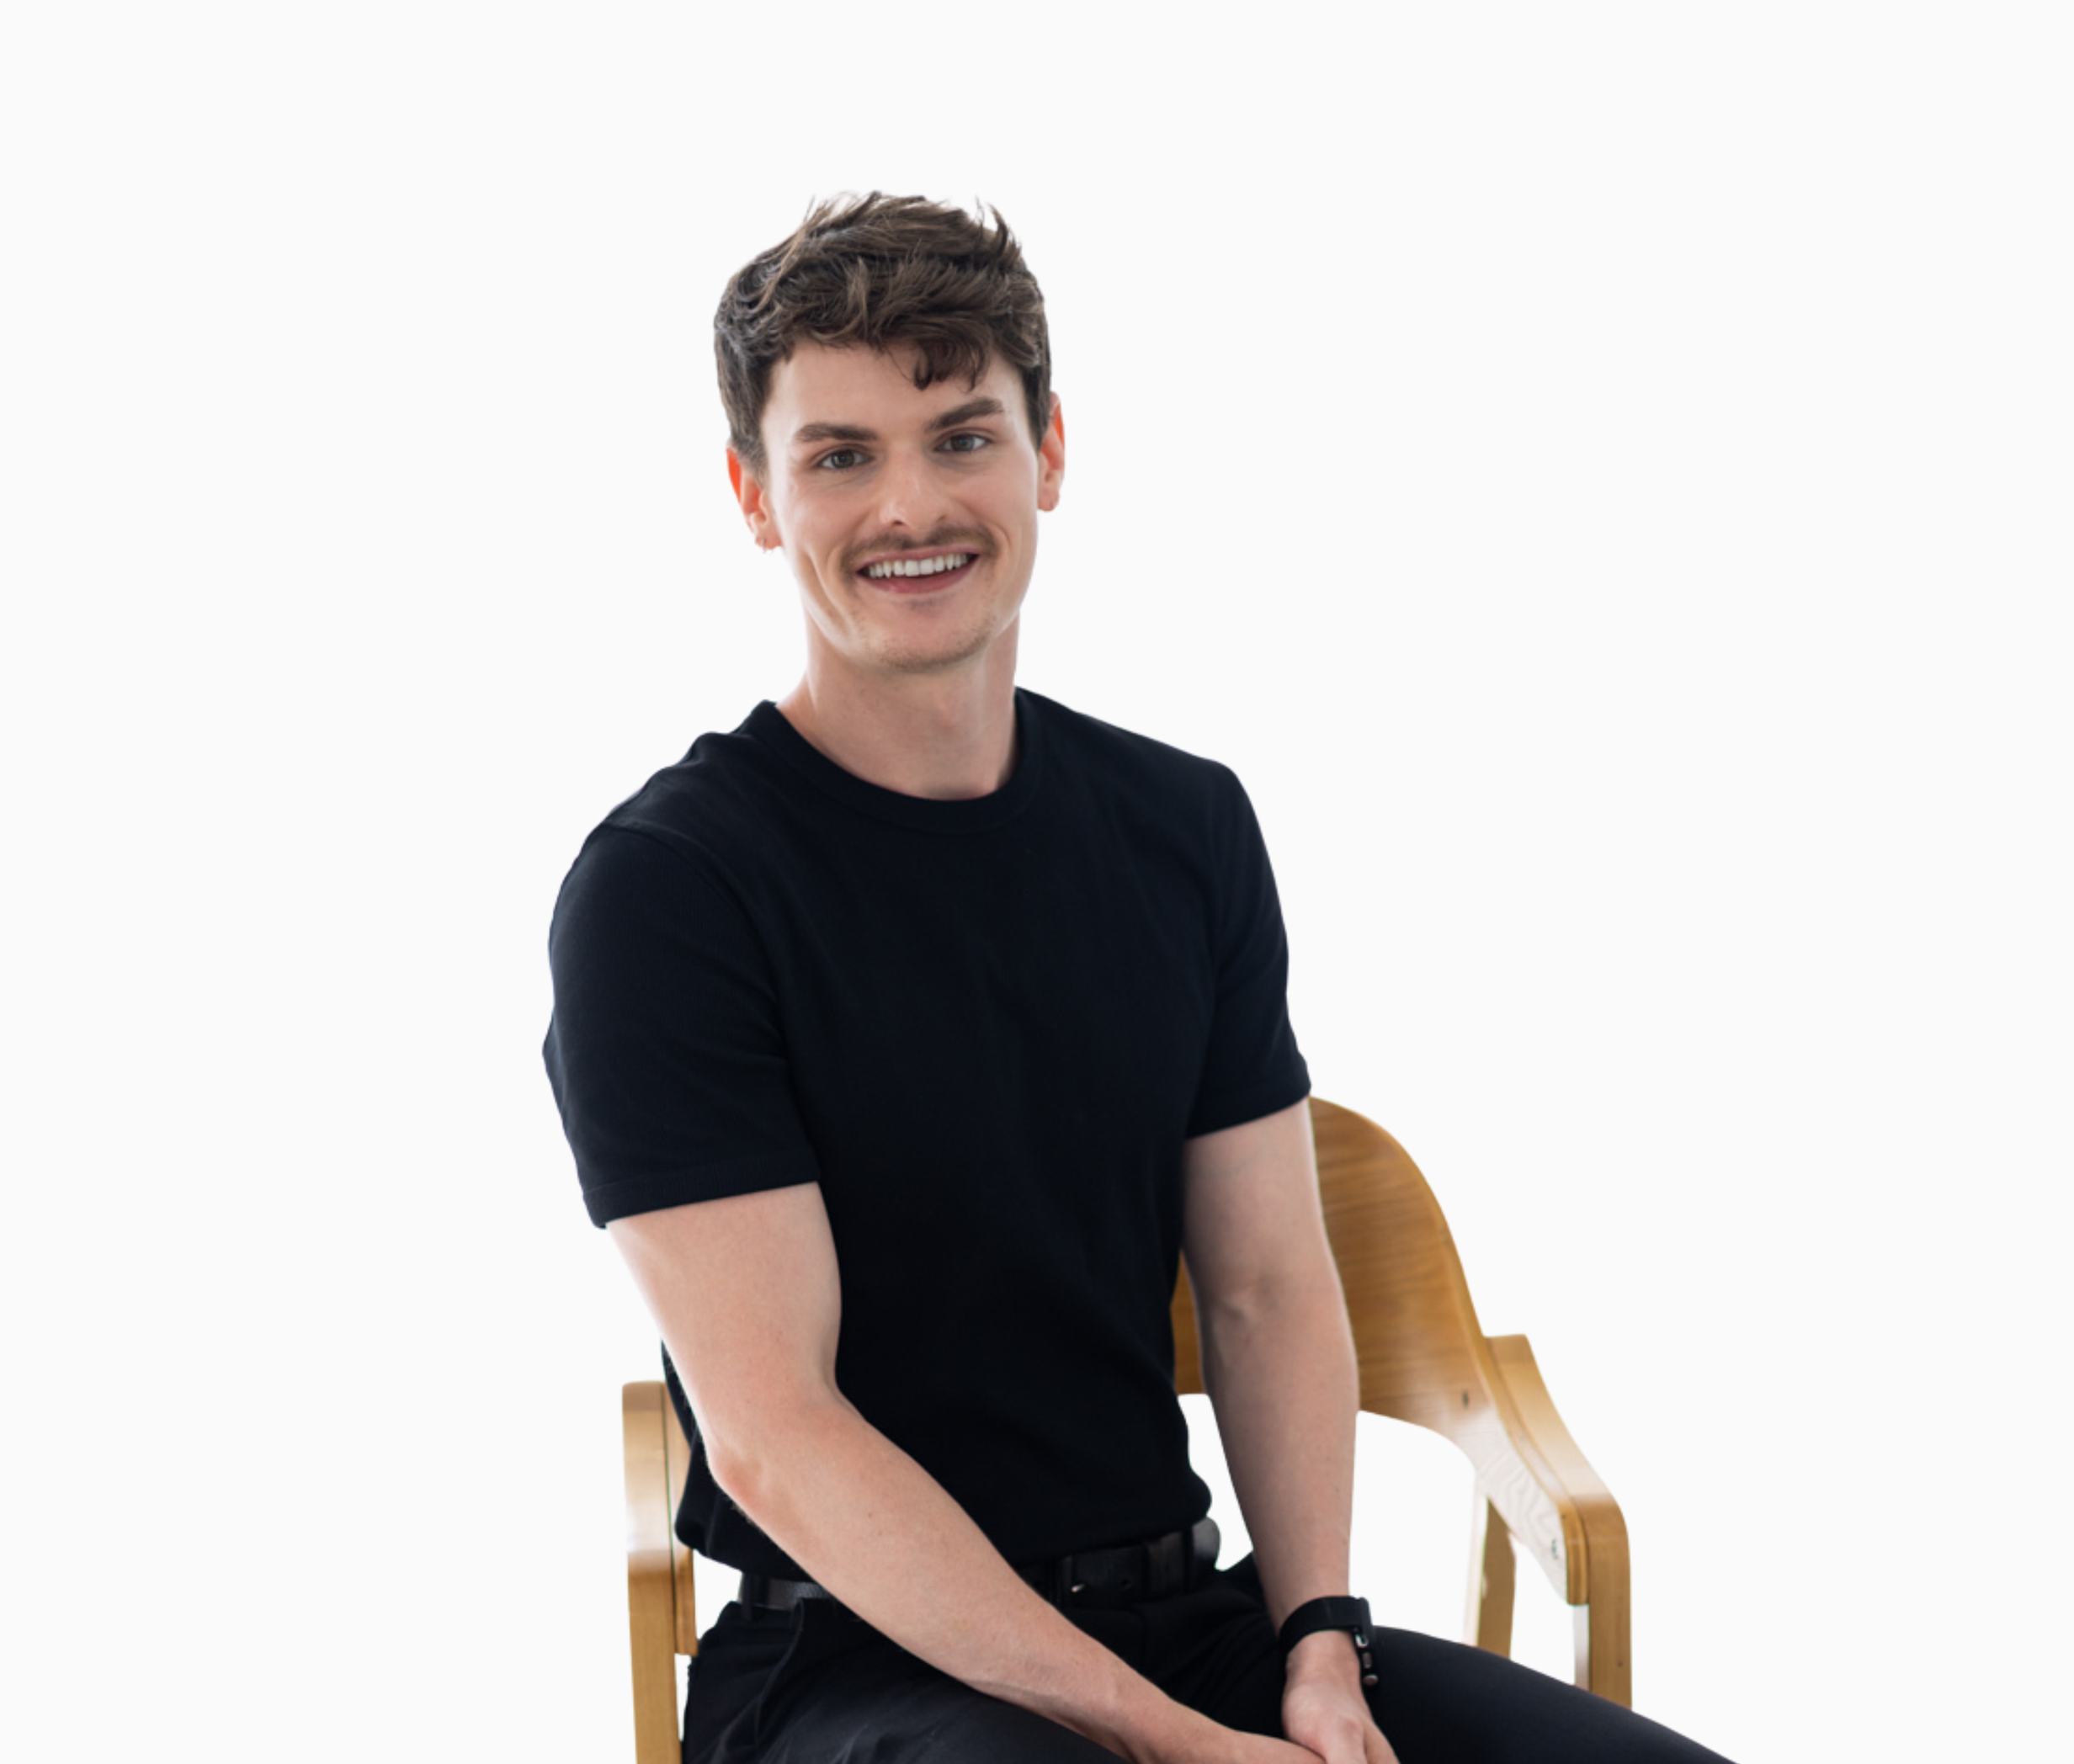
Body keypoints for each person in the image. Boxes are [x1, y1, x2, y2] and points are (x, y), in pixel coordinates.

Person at [544, 194, 1730, 1764]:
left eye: (962, 435)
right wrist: (1157, 1740)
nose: (912, 504)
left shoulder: (1185, 828)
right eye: (841, 455)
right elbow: (777, 1438)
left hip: (1201, 1628)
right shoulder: (670, 893)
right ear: (756, 495)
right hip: (857, 1671)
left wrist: (1316, 1647)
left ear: (1049, 453)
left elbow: (1262, 1285)